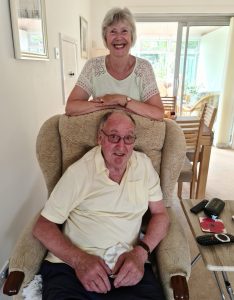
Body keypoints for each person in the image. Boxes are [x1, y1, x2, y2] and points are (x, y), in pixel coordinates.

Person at [33, 111, 169, 300]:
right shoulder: (80, 172)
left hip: (128, 267)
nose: (121, 146)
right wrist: (79, 261)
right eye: (113, 136)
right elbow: (43, 227)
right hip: (73, 271)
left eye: (128, 138)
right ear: (100, 138)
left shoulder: (144, 166)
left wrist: (141, 252)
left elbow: (160, 214)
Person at [65, 7, 164, 120]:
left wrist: (120, 99)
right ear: (105, 37)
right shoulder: (93, 66)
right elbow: (71, 107)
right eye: (113, 31)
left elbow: (158, 113)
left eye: (124, 31)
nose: (118, 37)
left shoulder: (144, 68)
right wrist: (109, 103)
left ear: (132, 37)